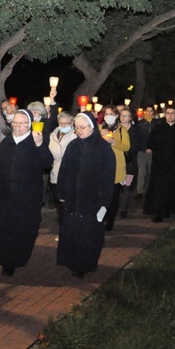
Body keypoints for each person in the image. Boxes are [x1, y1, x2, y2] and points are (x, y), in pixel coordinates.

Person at [0, 110, 54, 276]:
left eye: (22, 123)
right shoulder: (6, 143)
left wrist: (39, 145)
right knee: (5, 228)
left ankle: (14, 260)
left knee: (21, 230)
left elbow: (47, 162)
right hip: (7, 196)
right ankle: (4, 257)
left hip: (27, 197)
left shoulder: (35, 142)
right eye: (15, 122)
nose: (18, 126)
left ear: (29, 125)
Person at [56, 112, 115, 278]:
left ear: (92, 127)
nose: (78, 131)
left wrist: (105, 202)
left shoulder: (103, 148)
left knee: (88, 234)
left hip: (92, 200)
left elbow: (108, 177)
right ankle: (70, 260)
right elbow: (64, 170)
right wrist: (61, 191)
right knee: (71, 231)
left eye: (82, 127)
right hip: (73, 199)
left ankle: (83, 265)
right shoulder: (73, 145)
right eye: (76, 128)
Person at [143, 106, 175, 222]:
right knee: (160, 188)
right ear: (165, 114)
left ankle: (174, 209)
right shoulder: (158, 128)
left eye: (172, 113)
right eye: (168, 113)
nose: (170, 115)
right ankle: (159, 212)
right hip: (160, 164)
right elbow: (151, 142)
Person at [99, 105, 130, 231]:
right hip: (101, 167)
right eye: (106, 114)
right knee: (101, 195)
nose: (108, 117)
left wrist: (113, 142)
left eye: (111, 114)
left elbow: (127, 147)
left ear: (116, 115)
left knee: (113, 196)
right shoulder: (99, 128)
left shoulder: (122, 130)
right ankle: (101, 217)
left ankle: (110, 219)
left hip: (116, 167)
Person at [48, 111, 77, 226]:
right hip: (55, 173)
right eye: (61, 123)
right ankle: (62, 226)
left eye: (67, 123)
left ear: (72, 123)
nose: (64, 126)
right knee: (58, 203)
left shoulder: (75, 136)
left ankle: (67, 227)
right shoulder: (53, 135)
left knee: (67, 203)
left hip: (69, 174)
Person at [118, 108, 139, 218]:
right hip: (116, 162)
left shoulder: (134, 131)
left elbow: (134, 147)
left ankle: (124, 209)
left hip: (129, 162)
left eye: (126, 115)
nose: (123, 117)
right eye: (122, 115)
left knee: (126, 186)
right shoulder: (116, 128)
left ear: (130, 118)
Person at [134, 107, 157, 200]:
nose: (149, 113)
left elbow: (158, 138)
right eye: (147, 111)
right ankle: (140, 191)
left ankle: (149, 190)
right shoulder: (140, 123)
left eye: (151, 111)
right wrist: (144, 148)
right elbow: (137, 138)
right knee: (142, 171)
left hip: (154, 151)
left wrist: (153, 147)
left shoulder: (157, 123)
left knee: (151, 171)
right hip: (142, 151)